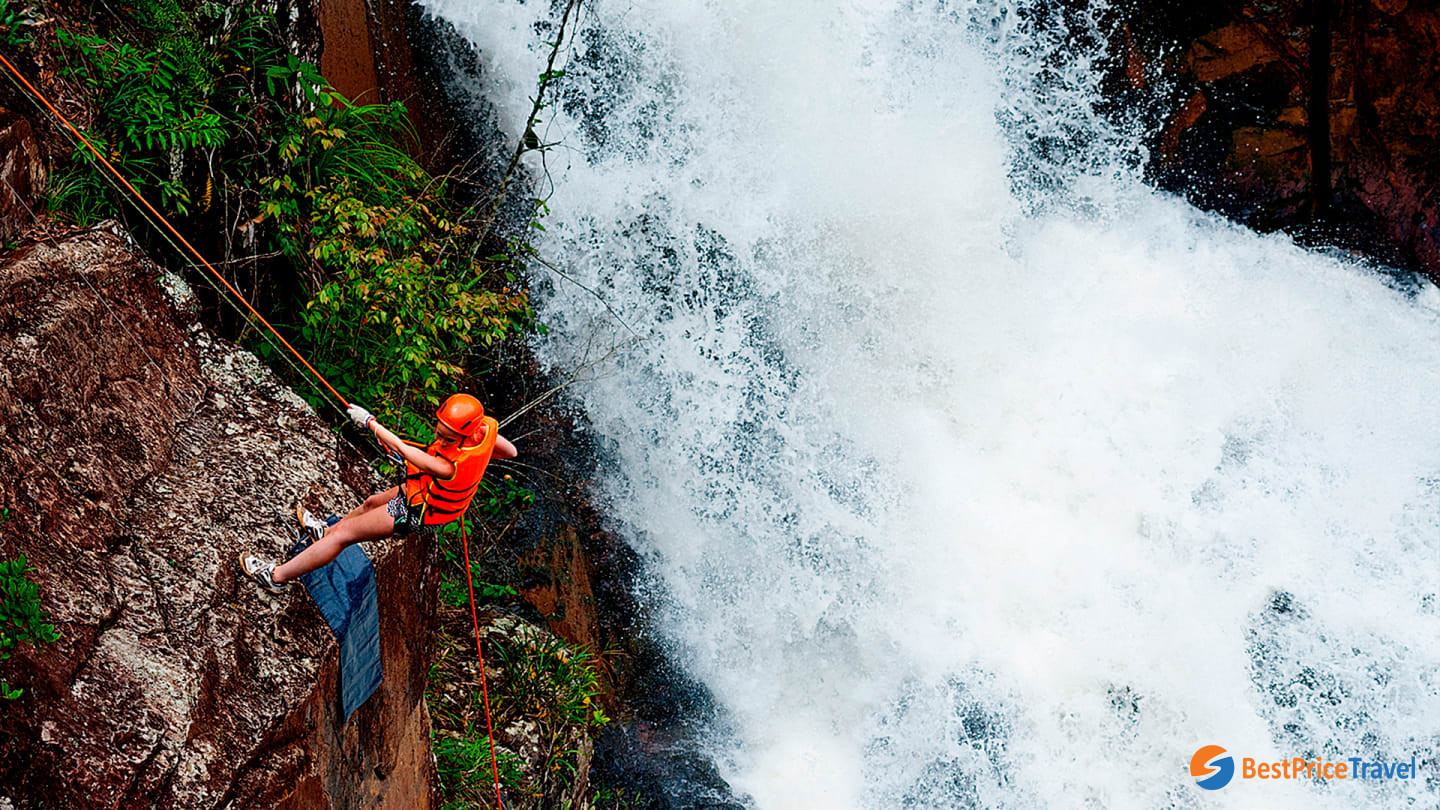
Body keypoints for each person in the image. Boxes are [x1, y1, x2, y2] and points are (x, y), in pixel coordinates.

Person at [238, 393, 518, 593]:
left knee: (344, 535)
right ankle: (324, 532)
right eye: (439, 434)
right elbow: (510, 451)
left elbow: (403, 449)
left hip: (418, 511)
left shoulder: (447, 467)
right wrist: (480, 455)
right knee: (371, 503)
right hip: (421, 491)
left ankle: (276, 576)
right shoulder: (484, 432)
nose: (442, 441)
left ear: (467, 433)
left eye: (449, 439)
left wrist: (369, 422)